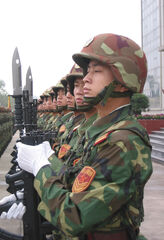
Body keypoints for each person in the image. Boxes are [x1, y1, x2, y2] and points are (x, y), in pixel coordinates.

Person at [16, 33, 152, 240]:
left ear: (123, 82)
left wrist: (40, 169)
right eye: (88, 71)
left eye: (96, 72)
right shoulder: (99, 132)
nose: (86, 79)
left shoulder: (123, 141)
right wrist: (33, 184)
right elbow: (72, 181)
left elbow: (73, 217)